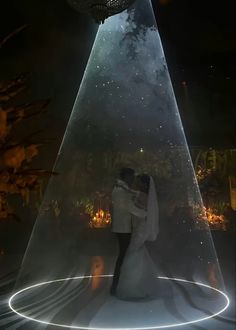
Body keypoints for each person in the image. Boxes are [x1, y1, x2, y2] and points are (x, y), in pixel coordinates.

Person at [116, 174, 159, 300]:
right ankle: (142, 284)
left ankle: (133, 286)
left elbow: (142, 212)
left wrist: (128, 206)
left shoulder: (143, 195)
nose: (137, 183)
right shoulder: (143, 194)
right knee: (138, 252)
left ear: (144, 184)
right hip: (139, 227)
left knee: (133, 251)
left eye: (139, 182)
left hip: (141, 228)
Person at [110, 168, 141, 295]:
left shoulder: (120, 188)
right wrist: (145, 214)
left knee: (123, 255)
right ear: (126, 176)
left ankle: (118, 284)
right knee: (123, 256)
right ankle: (117, 286)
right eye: (131, 176)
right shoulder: (121, 190)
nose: (133, 179)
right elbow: (130, 207)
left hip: (121, 226)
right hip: (123, 227)